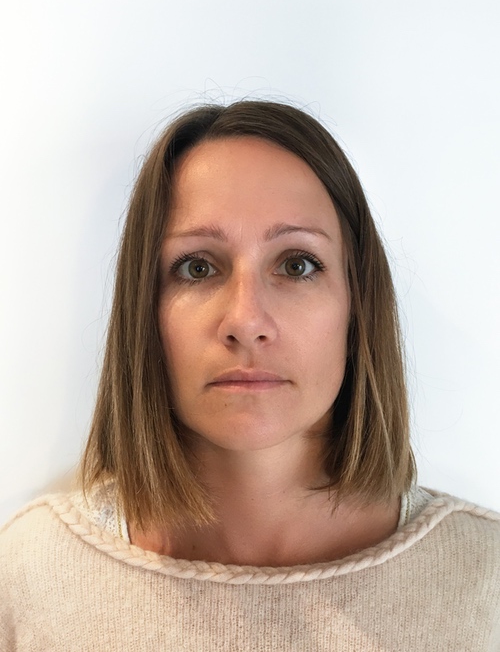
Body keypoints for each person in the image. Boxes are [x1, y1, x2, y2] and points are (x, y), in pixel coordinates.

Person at [1, 100, 499, 651]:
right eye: (197, 267)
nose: (245, 321)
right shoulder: (31, 575)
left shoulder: (484, 580)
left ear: (358, 304)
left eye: (296, 264)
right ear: (145, 311)